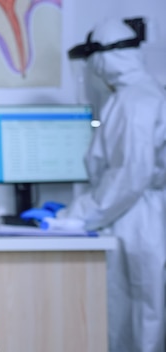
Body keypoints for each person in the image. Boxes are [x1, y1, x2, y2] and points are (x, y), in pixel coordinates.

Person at [65, 18, 166, 352]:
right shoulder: (141, 93)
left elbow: (130, 176)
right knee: (139, 308)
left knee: (139, 310)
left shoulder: (134, 101)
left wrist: (79, 216)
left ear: (103, 58)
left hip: (138, 218)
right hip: (135, 213)